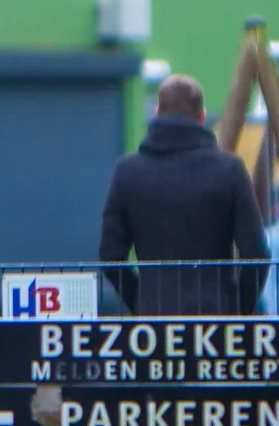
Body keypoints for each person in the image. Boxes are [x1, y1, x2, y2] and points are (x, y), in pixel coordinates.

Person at [94, 72, 262, 316]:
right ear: (202, 117)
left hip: (154, 318)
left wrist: (141, 300)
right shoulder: (229, 170)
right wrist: (238, 308)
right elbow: (256, 254)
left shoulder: (127, 172)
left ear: (156, 113)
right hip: (217, 321)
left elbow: (110, 257)